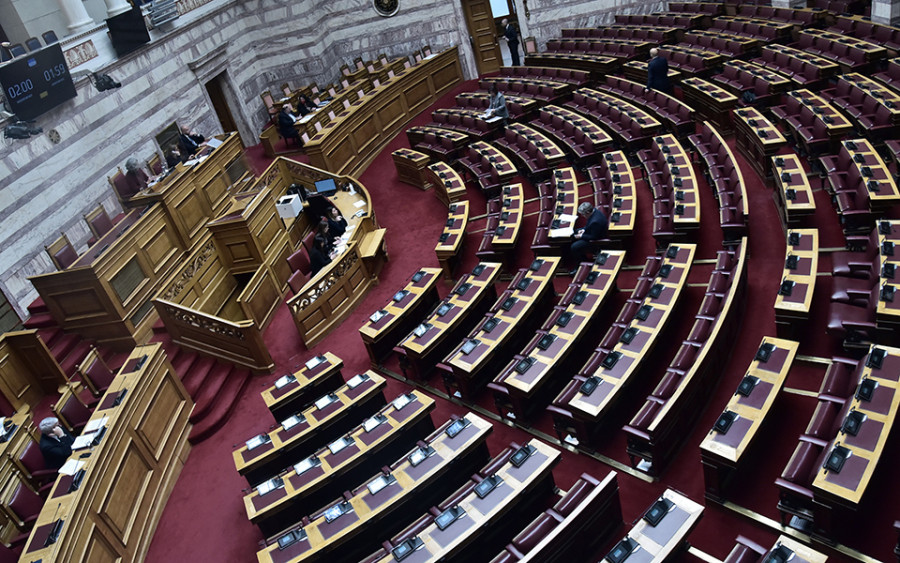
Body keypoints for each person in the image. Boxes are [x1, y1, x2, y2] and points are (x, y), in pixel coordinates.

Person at [568, 202, 609, 275]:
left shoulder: (595, 221)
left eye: (583, 214)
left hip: (597, 240)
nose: (583, 216)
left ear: (587, 212)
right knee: (574, 232)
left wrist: (581, 236)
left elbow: (594, 237)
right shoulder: (595, 212)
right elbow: (590, 227)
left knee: (574, 247)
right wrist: (584, 229)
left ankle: (582, 263)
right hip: (592, 232)